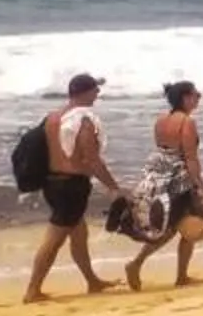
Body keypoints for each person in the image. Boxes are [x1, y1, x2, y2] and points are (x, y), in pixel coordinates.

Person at [24, 74, 131, 304]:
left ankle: (92, 281)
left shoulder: (54, 117)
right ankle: (32, 290)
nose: (98, 94)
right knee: (54, 239)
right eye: (95, 90)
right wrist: (113, 188)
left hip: (51, 182)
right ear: (84, 92)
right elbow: (92, 159)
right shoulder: (83, 119)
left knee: (79, 234)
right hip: (71, 186)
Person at [122, 81, 203, 291]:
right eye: (195, 95)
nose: (198, 98)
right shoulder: (187, 122)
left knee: (180, 226)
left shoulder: (161, 120)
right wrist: (198, 183)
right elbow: (190, 157)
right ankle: (137, 264)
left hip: (160, 175)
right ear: (185, 98)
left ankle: (180, 275)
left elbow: (162, 150)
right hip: (180, 178)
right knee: (180, 226)